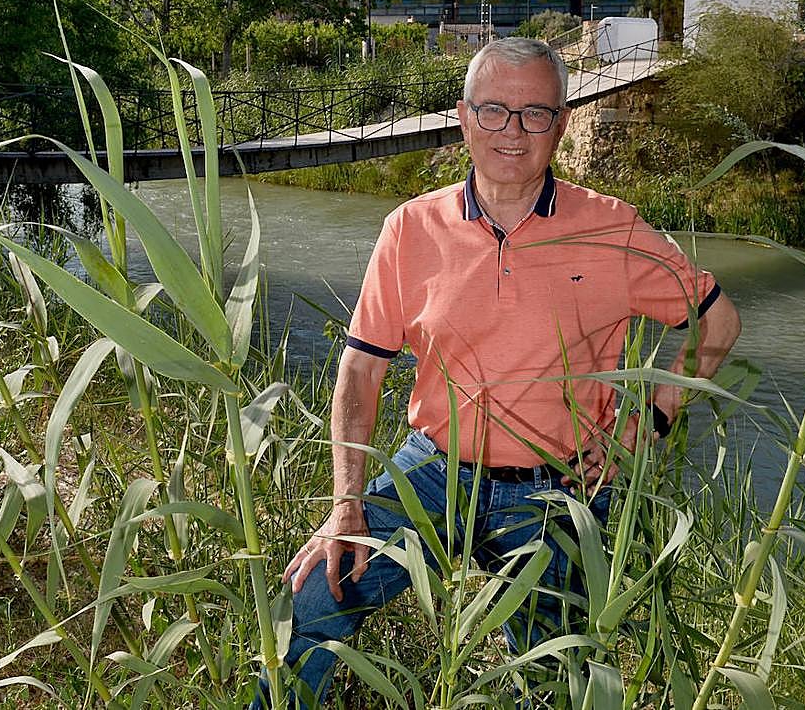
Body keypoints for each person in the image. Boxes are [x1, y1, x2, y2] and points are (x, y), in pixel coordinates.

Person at [256, 37, 741, 708]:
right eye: (493, 111)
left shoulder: (612, 229)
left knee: (553, 683)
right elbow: (360, 372)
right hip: (432, 471)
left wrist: (642, 426)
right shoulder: (411, 228)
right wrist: (346, 504)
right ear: (463, 119)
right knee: (309, 604)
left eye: (535, 113)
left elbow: (719, 322)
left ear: (561, 125)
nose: (512, 131)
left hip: (556, 490)